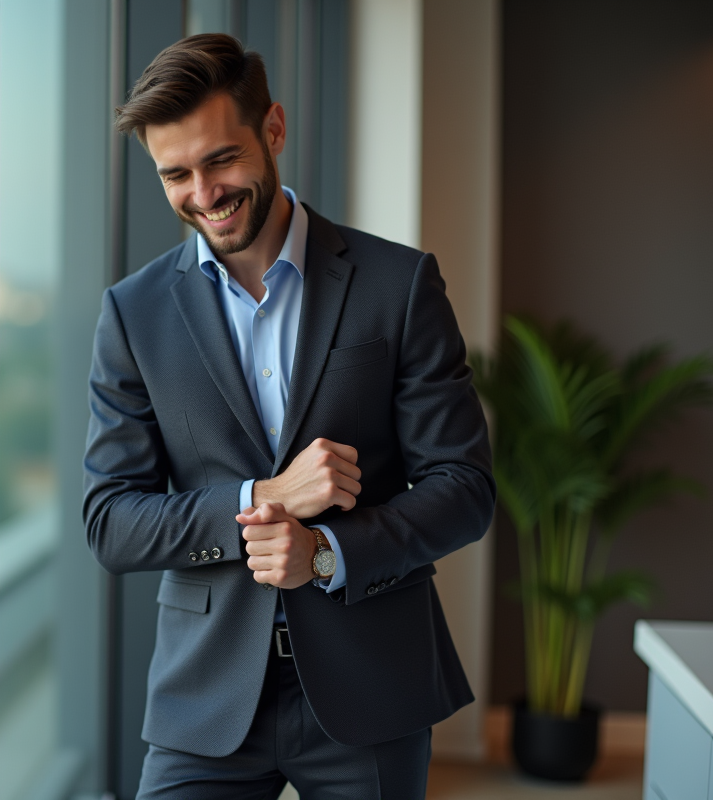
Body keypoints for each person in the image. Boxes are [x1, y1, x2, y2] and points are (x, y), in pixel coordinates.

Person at [83, 33, 494, 799]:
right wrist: (265, 498)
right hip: (204, 696)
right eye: (176, 174)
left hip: (371, 684)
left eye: (220, 161)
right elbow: (111, 521)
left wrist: (327, 553)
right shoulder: (132, 314)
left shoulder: (398, 285)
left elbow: (465, 487)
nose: (203, 194)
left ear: (272, 129)